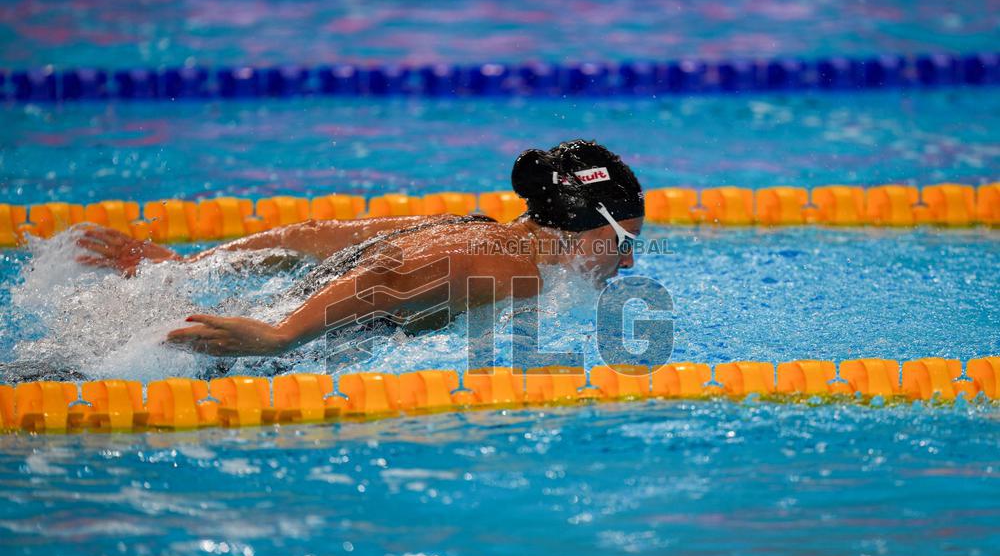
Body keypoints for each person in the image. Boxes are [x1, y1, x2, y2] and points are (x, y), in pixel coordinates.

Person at [75, 140, 644, 357]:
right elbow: (390, 273)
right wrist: (282, 335)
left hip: (238, 320)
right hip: (246, 353)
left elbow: (308, 236)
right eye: (623, 242)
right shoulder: (512, 270)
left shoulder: (464, 225)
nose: (628, 261)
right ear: (585, 227)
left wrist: (190, 266)